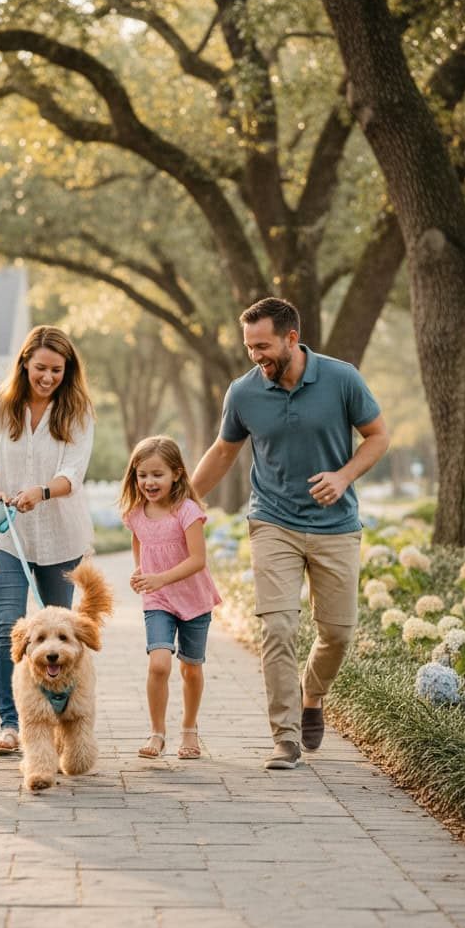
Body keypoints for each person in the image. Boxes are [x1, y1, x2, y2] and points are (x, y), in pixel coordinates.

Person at [191, 297, 389, 770]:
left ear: (291, 338)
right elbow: (223, 451)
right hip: (272, 522)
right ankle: (285, 737)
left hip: (336, 526)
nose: (255, 356)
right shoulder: (243, 392)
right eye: (249, 347)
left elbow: (378, 436)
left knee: (337, 633)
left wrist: (343, 476)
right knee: (278, 628)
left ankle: (311, 695)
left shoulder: (341, 378)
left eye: (262, 346)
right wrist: (183, 501)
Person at [0, 325, 95, 755]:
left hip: (61, 537)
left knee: (59, 637)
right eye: (41, 367)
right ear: (24, 362)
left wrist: (40, 492)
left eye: (57, 370)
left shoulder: (77, 411)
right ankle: (12, 724)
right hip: (4, 534)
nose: (48, 377)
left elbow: (72, 474)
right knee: (11, 626)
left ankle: (61, 720)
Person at [120, 435, 221, 761]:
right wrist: (140, 570)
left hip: (194, 600)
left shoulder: (187, 511)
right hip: (158, 601)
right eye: (142, 475)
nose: (149, 482)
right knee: (159, 664)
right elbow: (139, 541)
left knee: (190, 668)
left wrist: (159, 577)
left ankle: (189, 728)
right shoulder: (136, 513)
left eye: (157, 474)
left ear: (176, 474)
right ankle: (157, 732)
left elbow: (198, 560)